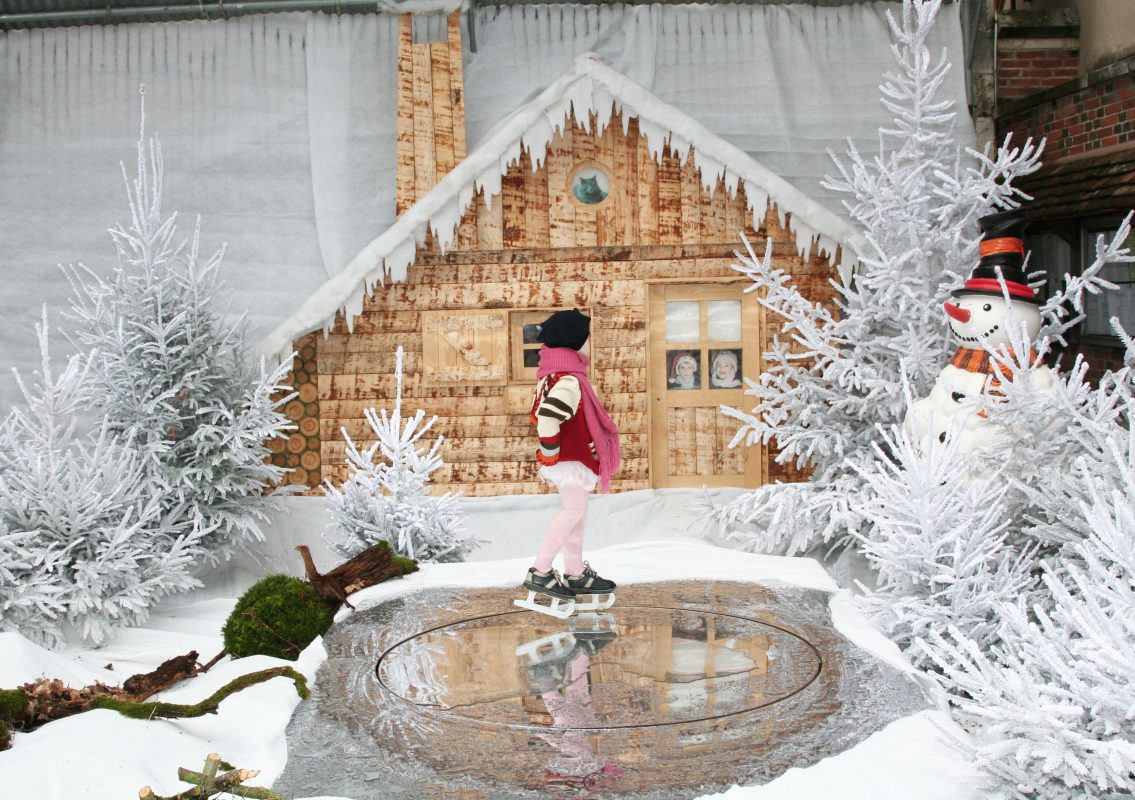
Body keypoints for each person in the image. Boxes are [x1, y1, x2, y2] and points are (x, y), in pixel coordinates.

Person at [522, 309, 622, 606]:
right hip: (570, 459)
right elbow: (547, 417)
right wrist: (550, 453)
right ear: (573, 342)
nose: (590, 345)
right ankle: (540, 570)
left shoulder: (553, 374)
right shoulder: (569, 380)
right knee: (572, 513)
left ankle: (575, 572)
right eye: (587, 339)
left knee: (576, 512)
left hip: (571, 460)